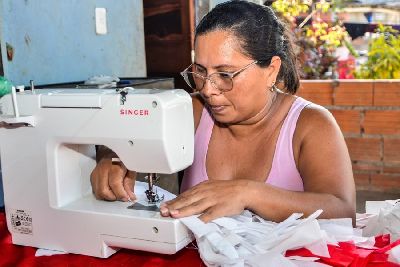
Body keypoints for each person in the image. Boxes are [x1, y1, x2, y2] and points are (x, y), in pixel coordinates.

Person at [91, 0, 356, 224]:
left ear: (272, 70)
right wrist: (114, 155)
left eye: (225, 74)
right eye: (200, 72)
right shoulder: (192, 110)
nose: (207, 89)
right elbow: (126, 132)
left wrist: (248, 193)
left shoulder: (310, 124)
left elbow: (342, 211)